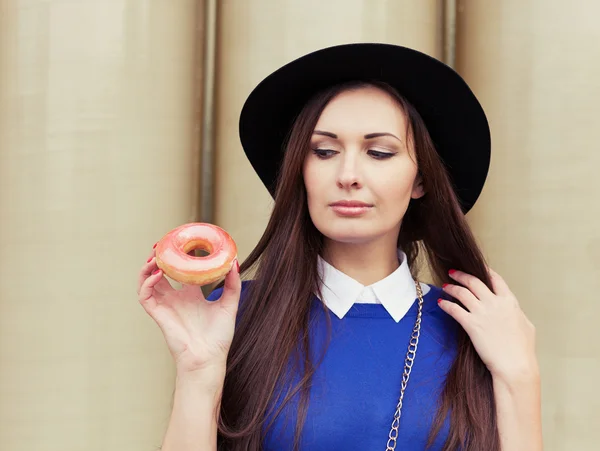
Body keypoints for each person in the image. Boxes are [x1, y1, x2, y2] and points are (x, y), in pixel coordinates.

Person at [137, 43, 543, 451]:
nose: (348, 175)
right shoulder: (233, 316)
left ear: (421, 180)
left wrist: (520, 375)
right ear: (301, 170)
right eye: (324, 151)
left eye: (379, 153)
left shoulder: (475, 329)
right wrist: (197, 369)